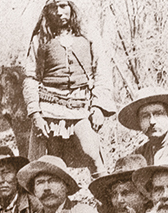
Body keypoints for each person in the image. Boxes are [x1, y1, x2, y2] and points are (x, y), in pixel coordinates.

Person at [23, 0, 115, 178]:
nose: (59, 12)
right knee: (47, 164)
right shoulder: (39, 40)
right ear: (47, 10)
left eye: (63, 6)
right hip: (49, 109)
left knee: (93, 153)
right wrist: (35, 113)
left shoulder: (89, 37)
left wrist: (98, 107)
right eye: (54, 7)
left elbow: (102, 71)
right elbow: (31, 78)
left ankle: (106, 198)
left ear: (72, 7)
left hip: (81, 107)